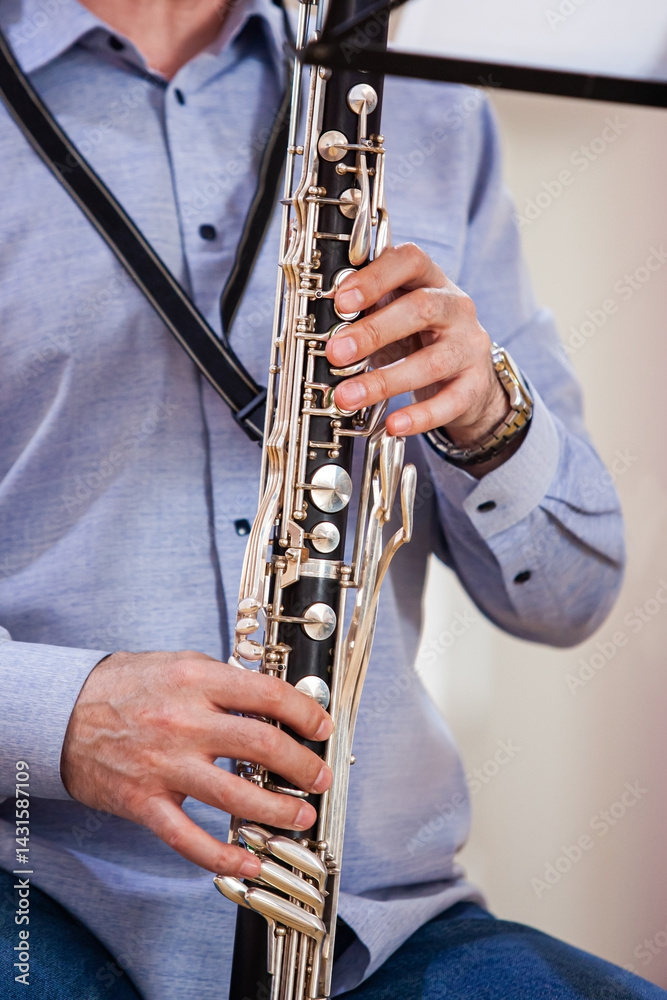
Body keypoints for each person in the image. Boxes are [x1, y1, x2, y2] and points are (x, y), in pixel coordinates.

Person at [0, 0, 655, 998]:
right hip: (33, 892)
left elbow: (570, 592)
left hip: (375, 925)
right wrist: (59, 716)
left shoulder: (422, 99)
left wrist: (485, 417)